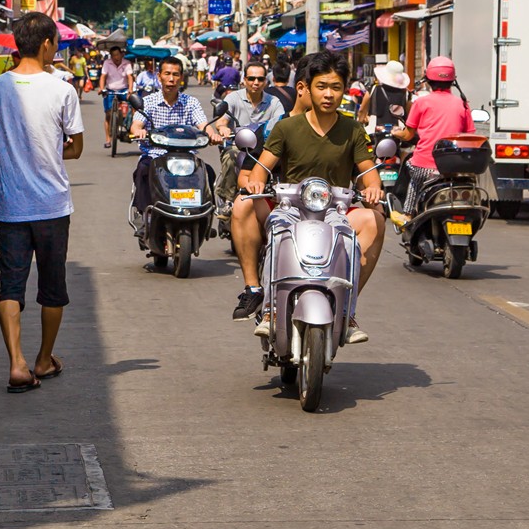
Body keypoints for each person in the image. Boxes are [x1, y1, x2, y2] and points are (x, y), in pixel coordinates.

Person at [229, 51, 385, 343]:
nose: (329, 95)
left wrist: (373, 188)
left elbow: (369, 173)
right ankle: (267, 310)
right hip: (290, 208)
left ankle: (346, 310)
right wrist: (254, 185)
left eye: (336, 87)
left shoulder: (353, 129)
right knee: (270, 228)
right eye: (322, 86)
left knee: (374, 220)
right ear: (306, 88)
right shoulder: (286, 127)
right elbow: (262, 169)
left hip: (335, 210)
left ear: (344, 90)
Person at [0, 12, 83, 393]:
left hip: (10, 204)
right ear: (46, 45)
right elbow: (75, 147)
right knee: (52, 288)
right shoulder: (62, 90)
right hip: (52, 205)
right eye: (55, 44)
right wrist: (50, 150)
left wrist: (13, 158)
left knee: (11, 287)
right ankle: (44, 358)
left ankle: (17, 364)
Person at [129, 58, 219, 235]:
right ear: (159, 77)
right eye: (167, 74)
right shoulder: (148, 102)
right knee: (142, 170)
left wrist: (212, 134)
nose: (171, 79)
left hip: (186, 157)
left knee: (208, 172)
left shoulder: (190, 103)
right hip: (156, 156)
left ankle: (206, 218)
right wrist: (138, 131)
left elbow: (203, 125)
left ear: (181, 77)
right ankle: (145, 217)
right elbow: (136, 124)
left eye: (176, 74)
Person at [208, 62, 287, 221]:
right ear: (244, 80)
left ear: (266, 81)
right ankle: (228, 200)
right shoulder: (233, 98)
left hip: (264, 151)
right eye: (251, 78)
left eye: (260, 79)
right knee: (231, 156)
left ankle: (283, 202)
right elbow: (221, 121)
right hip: (238, 147)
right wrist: (223, 128)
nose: (256, 83)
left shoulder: (274, 102)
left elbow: (282, 124)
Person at [397, 57, 475, 214]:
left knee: (410, 171)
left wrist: (396, 133)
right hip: (453, 169)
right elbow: (469, 136)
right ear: (453, 80)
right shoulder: (462, 104)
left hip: (425, 167)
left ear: (428, 80)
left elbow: (407, 135)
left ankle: (407, 212)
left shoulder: (421, 103)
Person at [362, 59, 413, 135]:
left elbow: (362, 110)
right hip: (398, 132)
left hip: (374, 130)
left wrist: (361, 119)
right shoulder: (406, 93)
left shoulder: (373, 89)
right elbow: (410, 115)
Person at [99, 46, 133, 149]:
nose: (116, 57)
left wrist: (130, 89)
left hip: (123, 90)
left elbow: (130, 77)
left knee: (131, 107)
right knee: (108, 114)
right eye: (113, 55)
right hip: (110, 90)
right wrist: (101, 88)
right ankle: (108, 139)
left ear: (121, 54)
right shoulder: (107, 63)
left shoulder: (126, 63)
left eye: (117, 55)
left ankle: (129, 128)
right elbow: (103, 76)